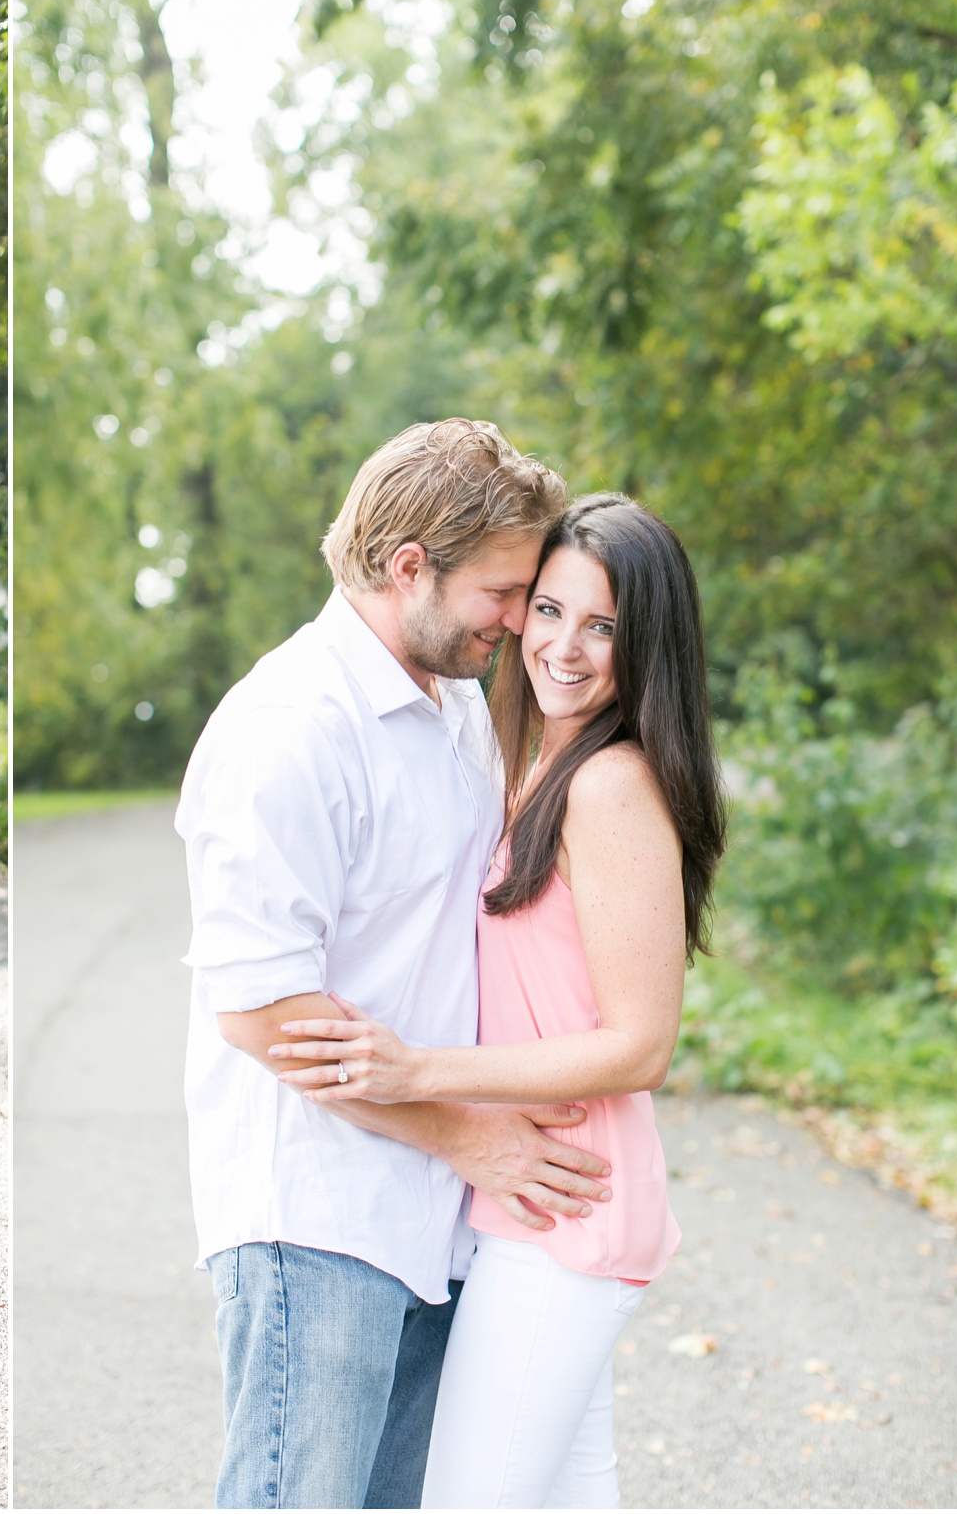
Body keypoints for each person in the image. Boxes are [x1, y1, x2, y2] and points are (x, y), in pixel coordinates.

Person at [177, 419, 614, 1509]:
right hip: (315, 1216)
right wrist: (472, 1136)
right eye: (503, 592)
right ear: (407, 566)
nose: (519, 622)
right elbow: (260, 1011)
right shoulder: (288, 729)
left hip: (436, 1216)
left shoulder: (454, 702)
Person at [271, 494, 727, 1507]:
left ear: (646, 641)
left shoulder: (607, 786)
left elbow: (640, 1043)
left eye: (602, 625)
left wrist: (419, 1070)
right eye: (548, 610)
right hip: (539, 1202)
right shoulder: (537, 769)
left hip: (565, 1204)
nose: (563, 647)